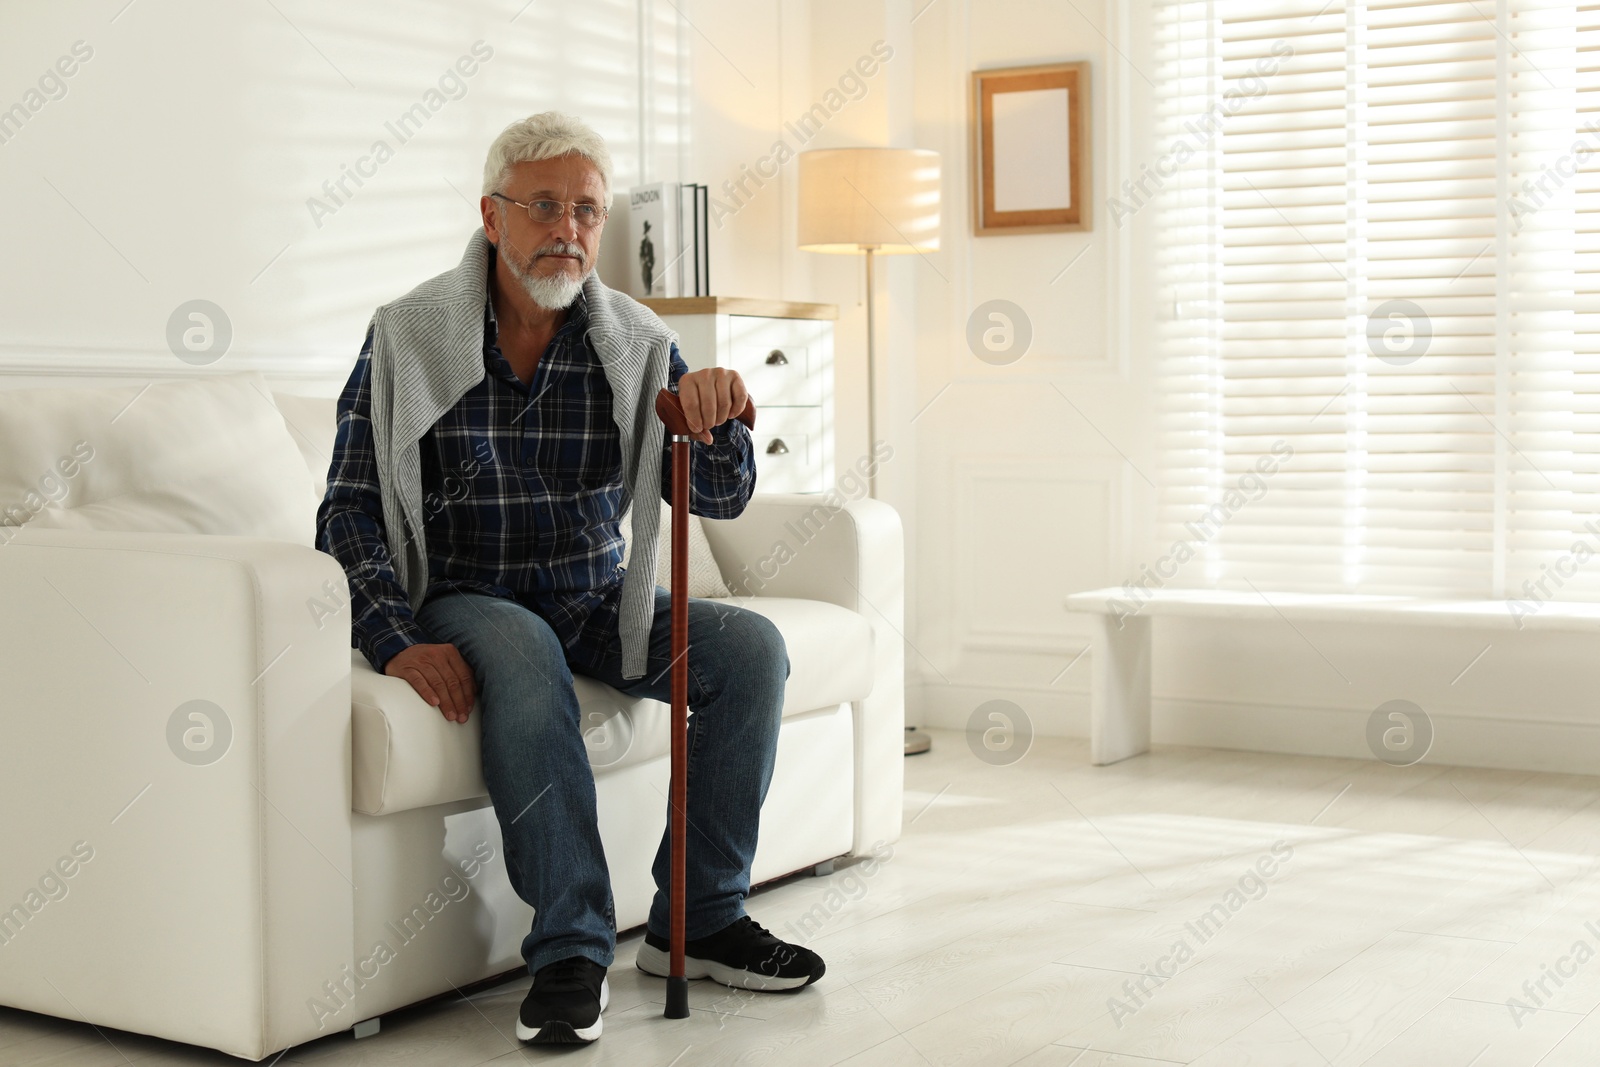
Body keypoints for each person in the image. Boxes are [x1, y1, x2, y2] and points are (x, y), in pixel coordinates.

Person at [316, 111, 823, 1046]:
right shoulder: (407, 335)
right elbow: (347, 510)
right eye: (544, 206)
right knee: (520, 644)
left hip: (598, 600)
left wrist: (722, 417)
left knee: (751, 649)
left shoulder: (633, 340)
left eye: (587, 210)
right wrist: (395, 639)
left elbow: (716, 493)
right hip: (470, 597)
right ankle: (570, 950)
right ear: (491, 215)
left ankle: (695, 924)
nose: (569, 230)